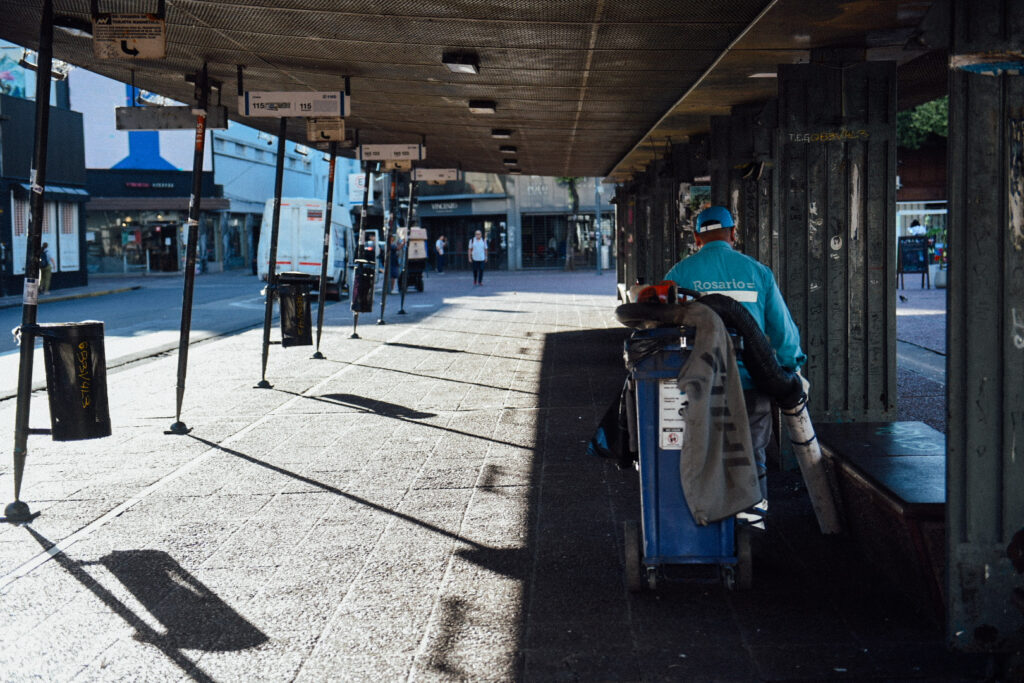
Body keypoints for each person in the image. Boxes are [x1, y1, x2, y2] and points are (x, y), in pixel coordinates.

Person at [664, 206, 806, 505]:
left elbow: (664, 331)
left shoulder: (680, 273)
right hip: (750, 382)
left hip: (701, 385)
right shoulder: (757, 271)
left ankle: (709, 527)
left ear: (696, 237)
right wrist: (789, 369)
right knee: (753, 458)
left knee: (702, 457)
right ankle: (752, 525)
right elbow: (784, 332)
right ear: (733, 233)